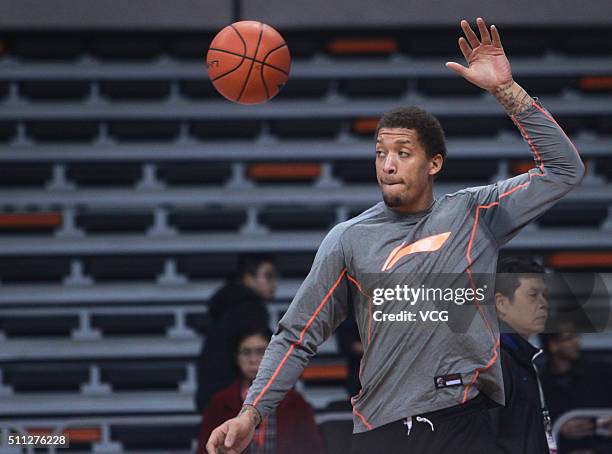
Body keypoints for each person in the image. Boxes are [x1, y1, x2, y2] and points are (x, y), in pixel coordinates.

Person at [207, 17, 585, 454]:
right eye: (381, 153)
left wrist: (507, 91)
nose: (387, 165)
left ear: (434, 164)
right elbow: (296, 335)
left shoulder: (474, 213)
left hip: (463, 418)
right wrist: (251, 412)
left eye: (403, 153)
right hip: (381, 427)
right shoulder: (349, 239)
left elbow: (564, 170)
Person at [197, 326, 325, 454]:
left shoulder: (296, 403)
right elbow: (205, 449)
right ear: (236, 357)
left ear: (273, 355)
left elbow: (313, 449)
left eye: (261, 351)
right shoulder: (219, 403)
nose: (253, 360)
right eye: (246, 352)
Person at [195, 254, 278, 412]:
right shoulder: (247, 312)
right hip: (231, 401)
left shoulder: (229, 307)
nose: (274, 284)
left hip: (216, 396)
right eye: (268, 276)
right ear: (248, 277)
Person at [490, 257, 555, 453]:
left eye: (545, 295)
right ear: (501, 303)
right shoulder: (494, 362)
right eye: (533, 295)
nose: (544, 304)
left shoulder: (521, 358)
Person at [540, 323, 612, 453]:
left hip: (600, 447)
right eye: (569, 338)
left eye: (575, 337)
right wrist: (560, 428)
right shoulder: (539, 381)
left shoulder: (600, 372)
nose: (576, 342)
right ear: (553, 345)